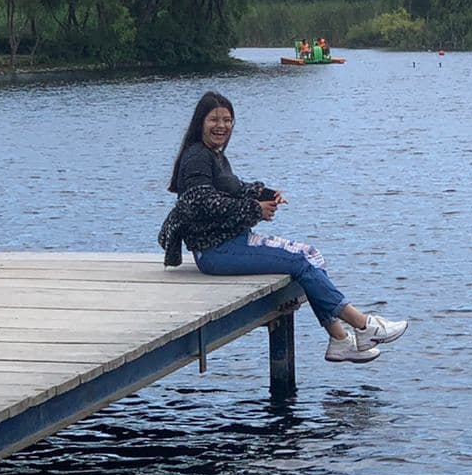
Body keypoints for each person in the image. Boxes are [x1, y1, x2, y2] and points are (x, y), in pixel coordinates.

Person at [157, 90, 408, 363]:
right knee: (300, 261)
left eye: (227, 120)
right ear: (200, 123)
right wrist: (255, 209)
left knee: (310, 254)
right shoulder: (197, 157)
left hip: (230, 244)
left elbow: (234, 188)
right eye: (214, 120)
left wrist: (265, 193)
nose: (221, 126)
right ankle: (364, 325)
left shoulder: (214, 155)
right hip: (215, 252)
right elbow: (200, 203)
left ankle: (339, 339)